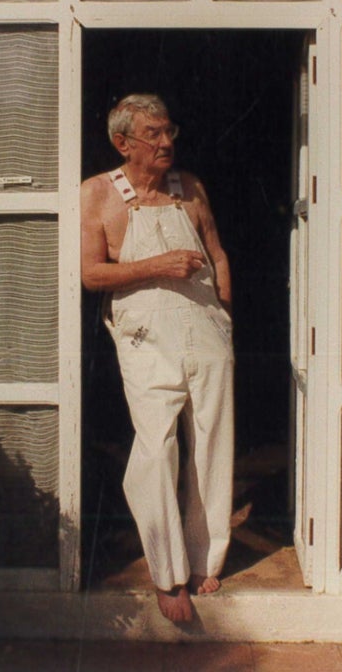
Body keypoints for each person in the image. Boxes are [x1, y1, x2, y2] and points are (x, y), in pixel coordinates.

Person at [80, 93, 235, 624]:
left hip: (205, 327)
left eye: (170, 131)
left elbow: (216, 253)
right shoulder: (99, 194)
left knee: (213, 440)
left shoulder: (188, 188)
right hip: (147, 333)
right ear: (123, 142)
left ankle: (203, 558)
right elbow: (91, 274)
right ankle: (167, 573)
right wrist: (158, 264)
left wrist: (225, 319)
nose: (167, 142)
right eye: (154, 134)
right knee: (156, 446)